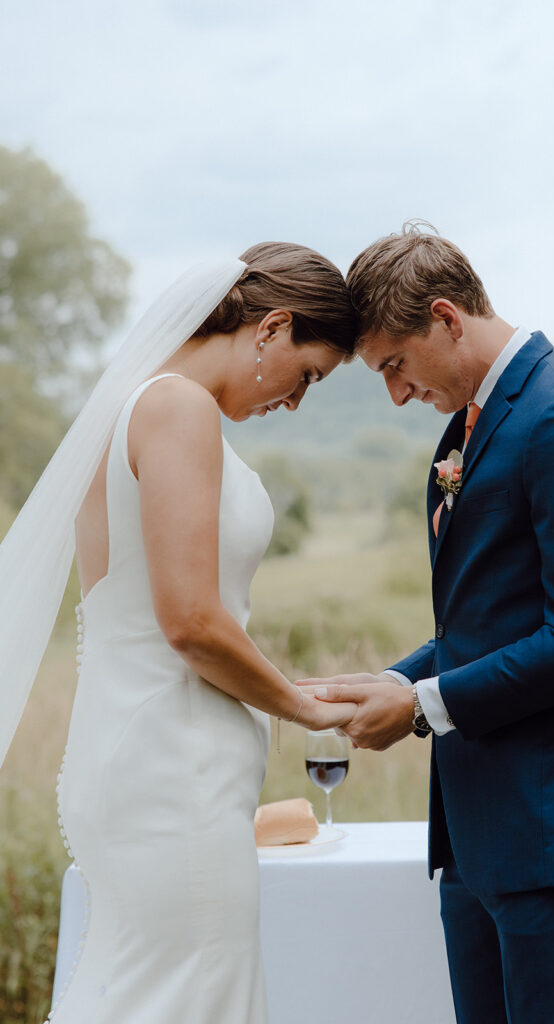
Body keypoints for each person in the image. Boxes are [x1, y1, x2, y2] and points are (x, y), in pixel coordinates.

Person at [306, 224, 554, 1024]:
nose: (396, 394)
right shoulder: (467, 425)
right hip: (476, 838)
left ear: (445, 317)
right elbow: (491, 619)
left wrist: (423, 707)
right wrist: (394, 680)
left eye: (394, 366)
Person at [0, 242, 357, 1024]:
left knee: (142, 994)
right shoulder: (176, 408)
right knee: (191, 1000)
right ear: (272, 327)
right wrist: (305, 708)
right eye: (308, 376)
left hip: (145, 759)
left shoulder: (136, 404)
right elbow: (191, 623)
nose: (296, 403)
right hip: (174, 771)